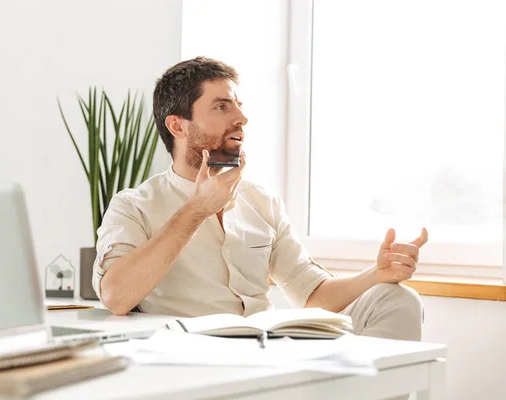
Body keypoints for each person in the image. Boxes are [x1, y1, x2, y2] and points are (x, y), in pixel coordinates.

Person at [92, 57, 428, 341]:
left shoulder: (261, 201)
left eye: (238, 104)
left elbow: (313, 295)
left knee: (396, 299)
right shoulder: (133, 205)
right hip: (191, 355)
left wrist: (376, 274)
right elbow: (116, 296)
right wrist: (197, 210)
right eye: (222, 106)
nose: (241, 118)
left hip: (270, 348)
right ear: (178, 126)